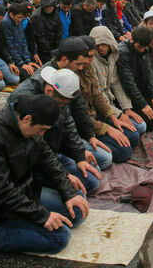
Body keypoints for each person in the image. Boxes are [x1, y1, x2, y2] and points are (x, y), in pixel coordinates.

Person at [0, 94, 89, 254]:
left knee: (77, 208)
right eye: (42, 129)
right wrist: (43, 216)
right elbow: (1, 192)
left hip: (27, 191)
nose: (42, 134)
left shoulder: (29, 127)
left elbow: (47, 158)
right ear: (27, 119)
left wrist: (68, 192)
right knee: (59, 238)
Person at [8, 59, 102, 194]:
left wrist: (79, 155)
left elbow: (69, 125)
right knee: (78, 195)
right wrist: (63, 178)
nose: (62, 107)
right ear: (49, 90)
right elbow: (34, 147)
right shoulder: (23, 99)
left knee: (93, 179)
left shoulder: (58, 97)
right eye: (61, 103)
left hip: (51, 150)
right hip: (33, 163)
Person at [90, 26, 147, 136]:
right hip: (101, 108)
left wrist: (127, 108)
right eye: (97, 45)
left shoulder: (113, 56)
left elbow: (116, 83)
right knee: (134, 134)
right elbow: (98, 95)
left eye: (104, 43)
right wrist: (118, 114)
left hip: (112, 102)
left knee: (141, 126)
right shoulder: (92, 62)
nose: (100, 47)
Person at [117, 26, 153, 131]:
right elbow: (128, 81)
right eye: (139, 47)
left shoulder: (144, 48)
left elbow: (148, 73)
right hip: (128, 93)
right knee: (152, 123)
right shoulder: (122, 51)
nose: (142, 50)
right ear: (131, 39)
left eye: (144, 47)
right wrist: (143, 105)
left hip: (140, 88)